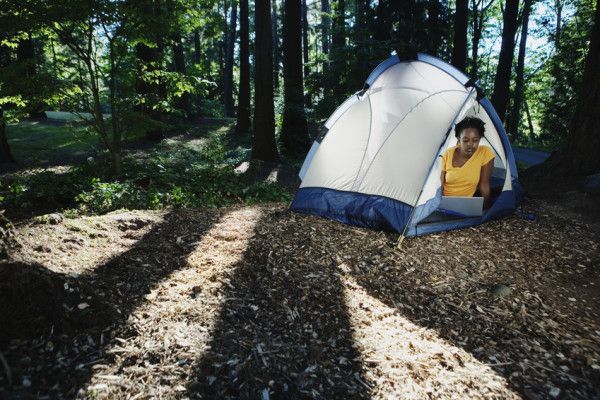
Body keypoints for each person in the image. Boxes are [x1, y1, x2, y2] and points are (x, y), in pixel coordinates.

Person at [441, 116, 495, 209]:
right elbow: (440, 186)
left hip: (466, 206)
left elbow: (484, 185)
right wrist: (440, 206)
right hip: (444, 203)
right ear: (458, 139)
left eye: (475, 140)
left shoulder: (485, 152)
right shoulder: (447, 154)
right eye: (465, 140)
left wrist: (484, 212)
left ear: (479, 139)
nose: (470, 145)